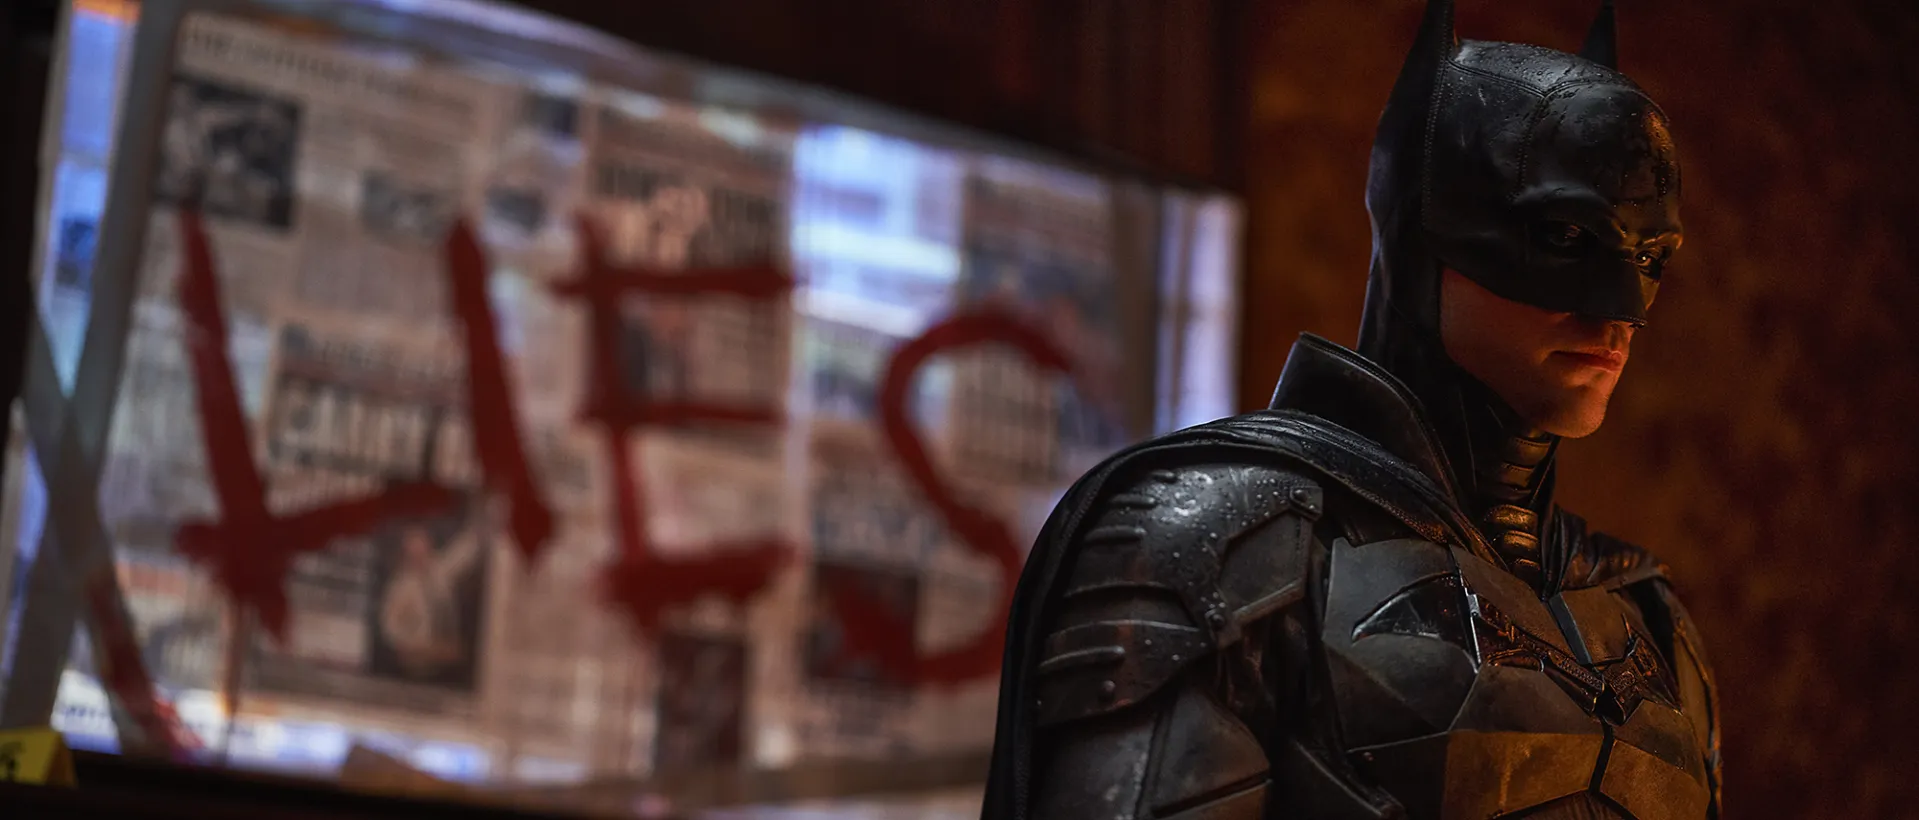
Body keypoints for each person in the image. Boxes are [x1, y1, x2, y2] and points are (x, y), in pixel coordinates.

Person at [981, 2, 1720, 818]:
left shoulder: (1643, 612)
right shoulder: (1219, 541)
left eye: (1648, 256)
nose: (1620, 311)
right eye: (1566, 238)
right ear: (1421, 231)